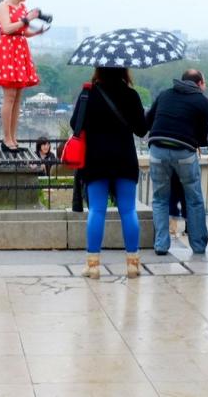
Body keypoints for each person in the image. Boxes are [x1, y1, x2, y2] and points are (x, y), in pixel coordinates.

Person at [75, 67, 148, 278]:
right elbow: (141, 129)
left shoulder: (88, 93)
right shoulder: (131, 95)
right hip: (124, 158)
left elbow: (75, 124)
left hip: (96, 159)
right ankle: (133, 263)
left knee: (97, 210)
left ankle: (93, 264)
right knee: (128, 210)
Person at [145, 68, 208, 255]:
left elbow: (147, 122)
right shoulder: (202, 102)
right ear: (199, 83)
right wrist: (199, 142)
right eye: (204, 83)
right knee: (194, 199)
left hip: (157, 149)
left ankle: (161, 244)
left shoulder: (164, 95)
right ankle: (198, 245)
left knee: (160, 199)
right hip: (184, 152)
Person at [0, 0, 42, 151]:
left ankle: (13, 138)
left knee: (17, 98)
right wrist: (27, 19)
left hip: (19, 49)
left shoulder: (22, 7)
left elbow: (22, 31)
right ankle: (6, 139)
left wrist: (36, 32)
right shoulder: (3, 6)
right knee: (9, 96)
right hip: (8, 50)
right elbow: (7, 28)